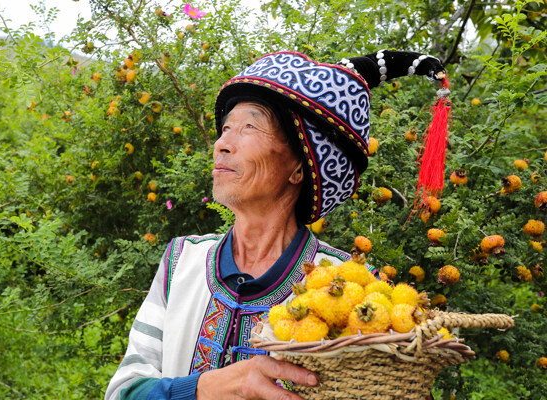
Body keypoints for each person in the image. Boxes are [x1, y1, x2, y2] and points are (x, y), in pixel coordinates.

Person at [105, 50, 446, 400]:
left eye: (248, 127)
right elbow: (123, 392)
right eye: (225, 129)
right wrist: (202, 389)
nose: (222, 144)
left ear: (300, 166)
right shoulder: (182, 261)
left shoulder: (351, 285)